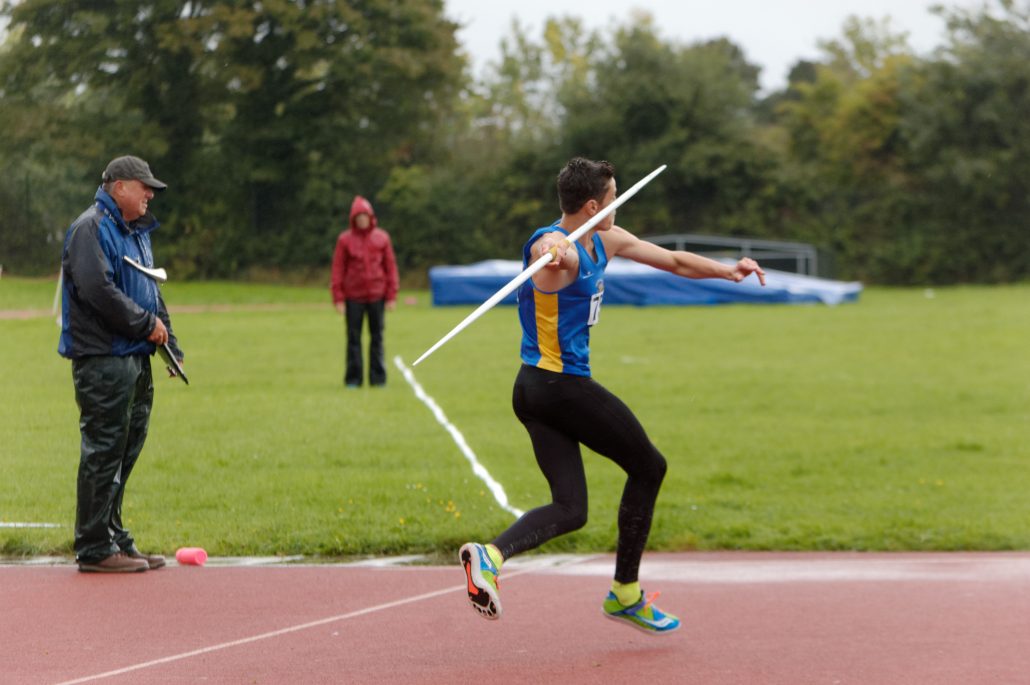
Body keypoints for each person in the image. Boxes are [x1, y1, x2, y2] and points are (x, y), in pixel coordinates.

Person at [459, 157, 766, 634]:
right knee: (649, 466)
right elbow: (553, 253)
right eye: (613, 198)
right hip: (560, 387)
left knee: (571, 510)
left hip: (533, 389)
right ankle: (625, 593)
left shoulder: (608, 239)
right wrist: (554, 248)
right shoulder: (553, 251)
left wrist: (729, 271)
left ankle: (490, 556)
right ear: (591, 206)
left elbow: (674, 261)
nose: (617, 205)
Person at [58, 155, 183, 573]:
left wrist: (169, 342)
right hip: (104, 360)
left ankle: (112, 535)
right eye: (144, 186)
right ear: (119, 187)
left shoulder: (135, 232)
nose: (150, 195)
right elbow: (98, 290)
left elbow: (150, 291)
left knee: (124, 451)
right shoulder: (90, 228)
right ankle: (94, 546)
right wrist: (146, 324)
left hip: (134, 358)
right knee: (104, 451)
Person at [330, 196, 399, 387]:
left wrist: (391, 295)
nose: (362, 220)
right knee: (353, 338)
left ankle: (378, 379)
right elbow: (338, 269)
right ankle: (353, 379)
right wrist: (338, 297)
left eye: (364, 216)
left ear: (370, 217)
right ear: (353, 219)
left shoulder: (382, 238)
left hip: (377, 295)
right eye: (358, 217)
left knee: (377, 337)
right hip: (354, 297)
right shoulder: (344, 240)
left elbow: (390, 267)